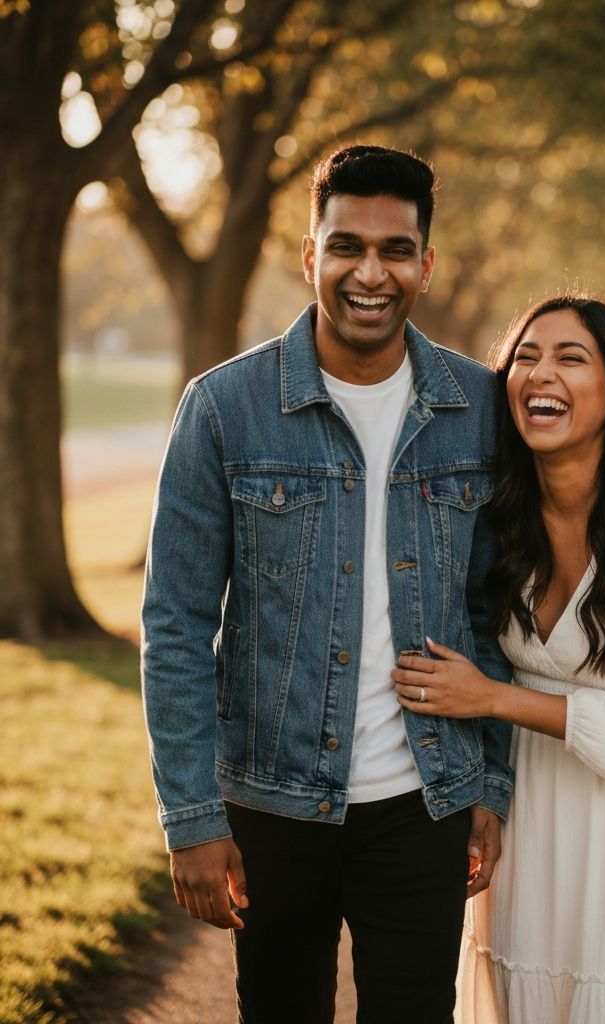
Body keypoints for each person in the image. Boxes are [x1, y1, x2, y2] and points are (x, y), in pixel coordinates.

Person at [141, 144, 513, 1024]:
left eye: (394, 249)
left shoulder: (481, 409)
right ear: (309, 257)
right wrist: (191, 817)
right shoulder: (224, 408)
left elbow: (496, 613)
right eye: (346, 246)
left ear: (426, 263)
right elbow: (177, 623)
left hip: (424, 804)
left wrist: (491, 786)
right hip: (272, 806)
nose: (369, 272)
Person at [393, 295, 605, 1023]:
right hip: (530, 817)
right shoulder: (498, 518)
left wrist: (488, 697)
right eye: (526, 355)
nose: (539, 373)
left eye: (569, 358)